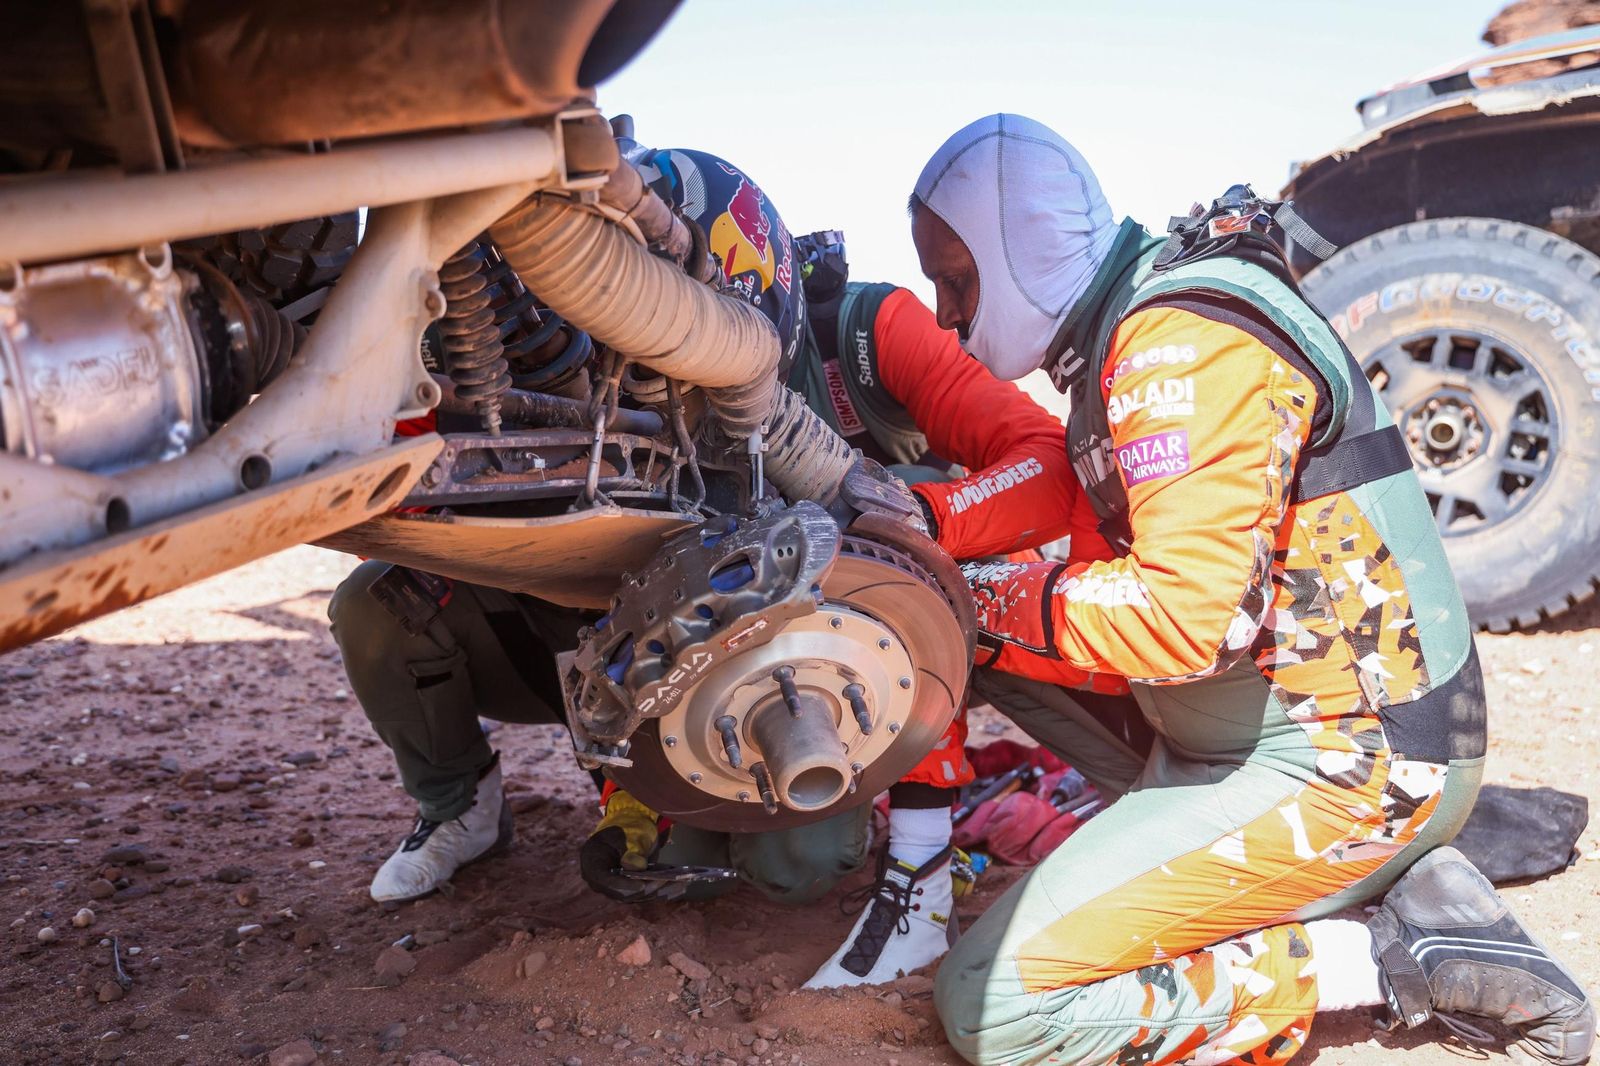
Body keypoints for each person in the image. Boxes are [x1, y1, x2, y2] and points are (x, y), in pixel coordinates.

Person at [327, 143, 1143, 988]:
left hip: (839, 644)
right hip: (667, 644)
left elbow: (1045, 462)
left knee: (795, 866)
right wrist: (624, 794)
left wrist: (912, 516)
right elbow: (590, 596)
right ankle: (460, 805)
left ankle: (919, 850)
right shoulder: (593, 385)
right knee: (382, 605)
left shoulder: (867, 333)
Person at [905, 112, 1594, 1066]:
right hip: (1253, 729)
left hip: (1346, 765)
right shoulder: (1128, 332)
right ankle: (1371, 883)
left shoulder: (1177, 341)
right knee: (967, 636)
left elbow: (1186, 618)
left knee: (997, 1004)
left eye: (957, 279)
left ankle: (1391, 956)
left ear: (1019, 246)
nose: (945, 313)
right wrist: (950, 571)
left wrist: (986, 593)